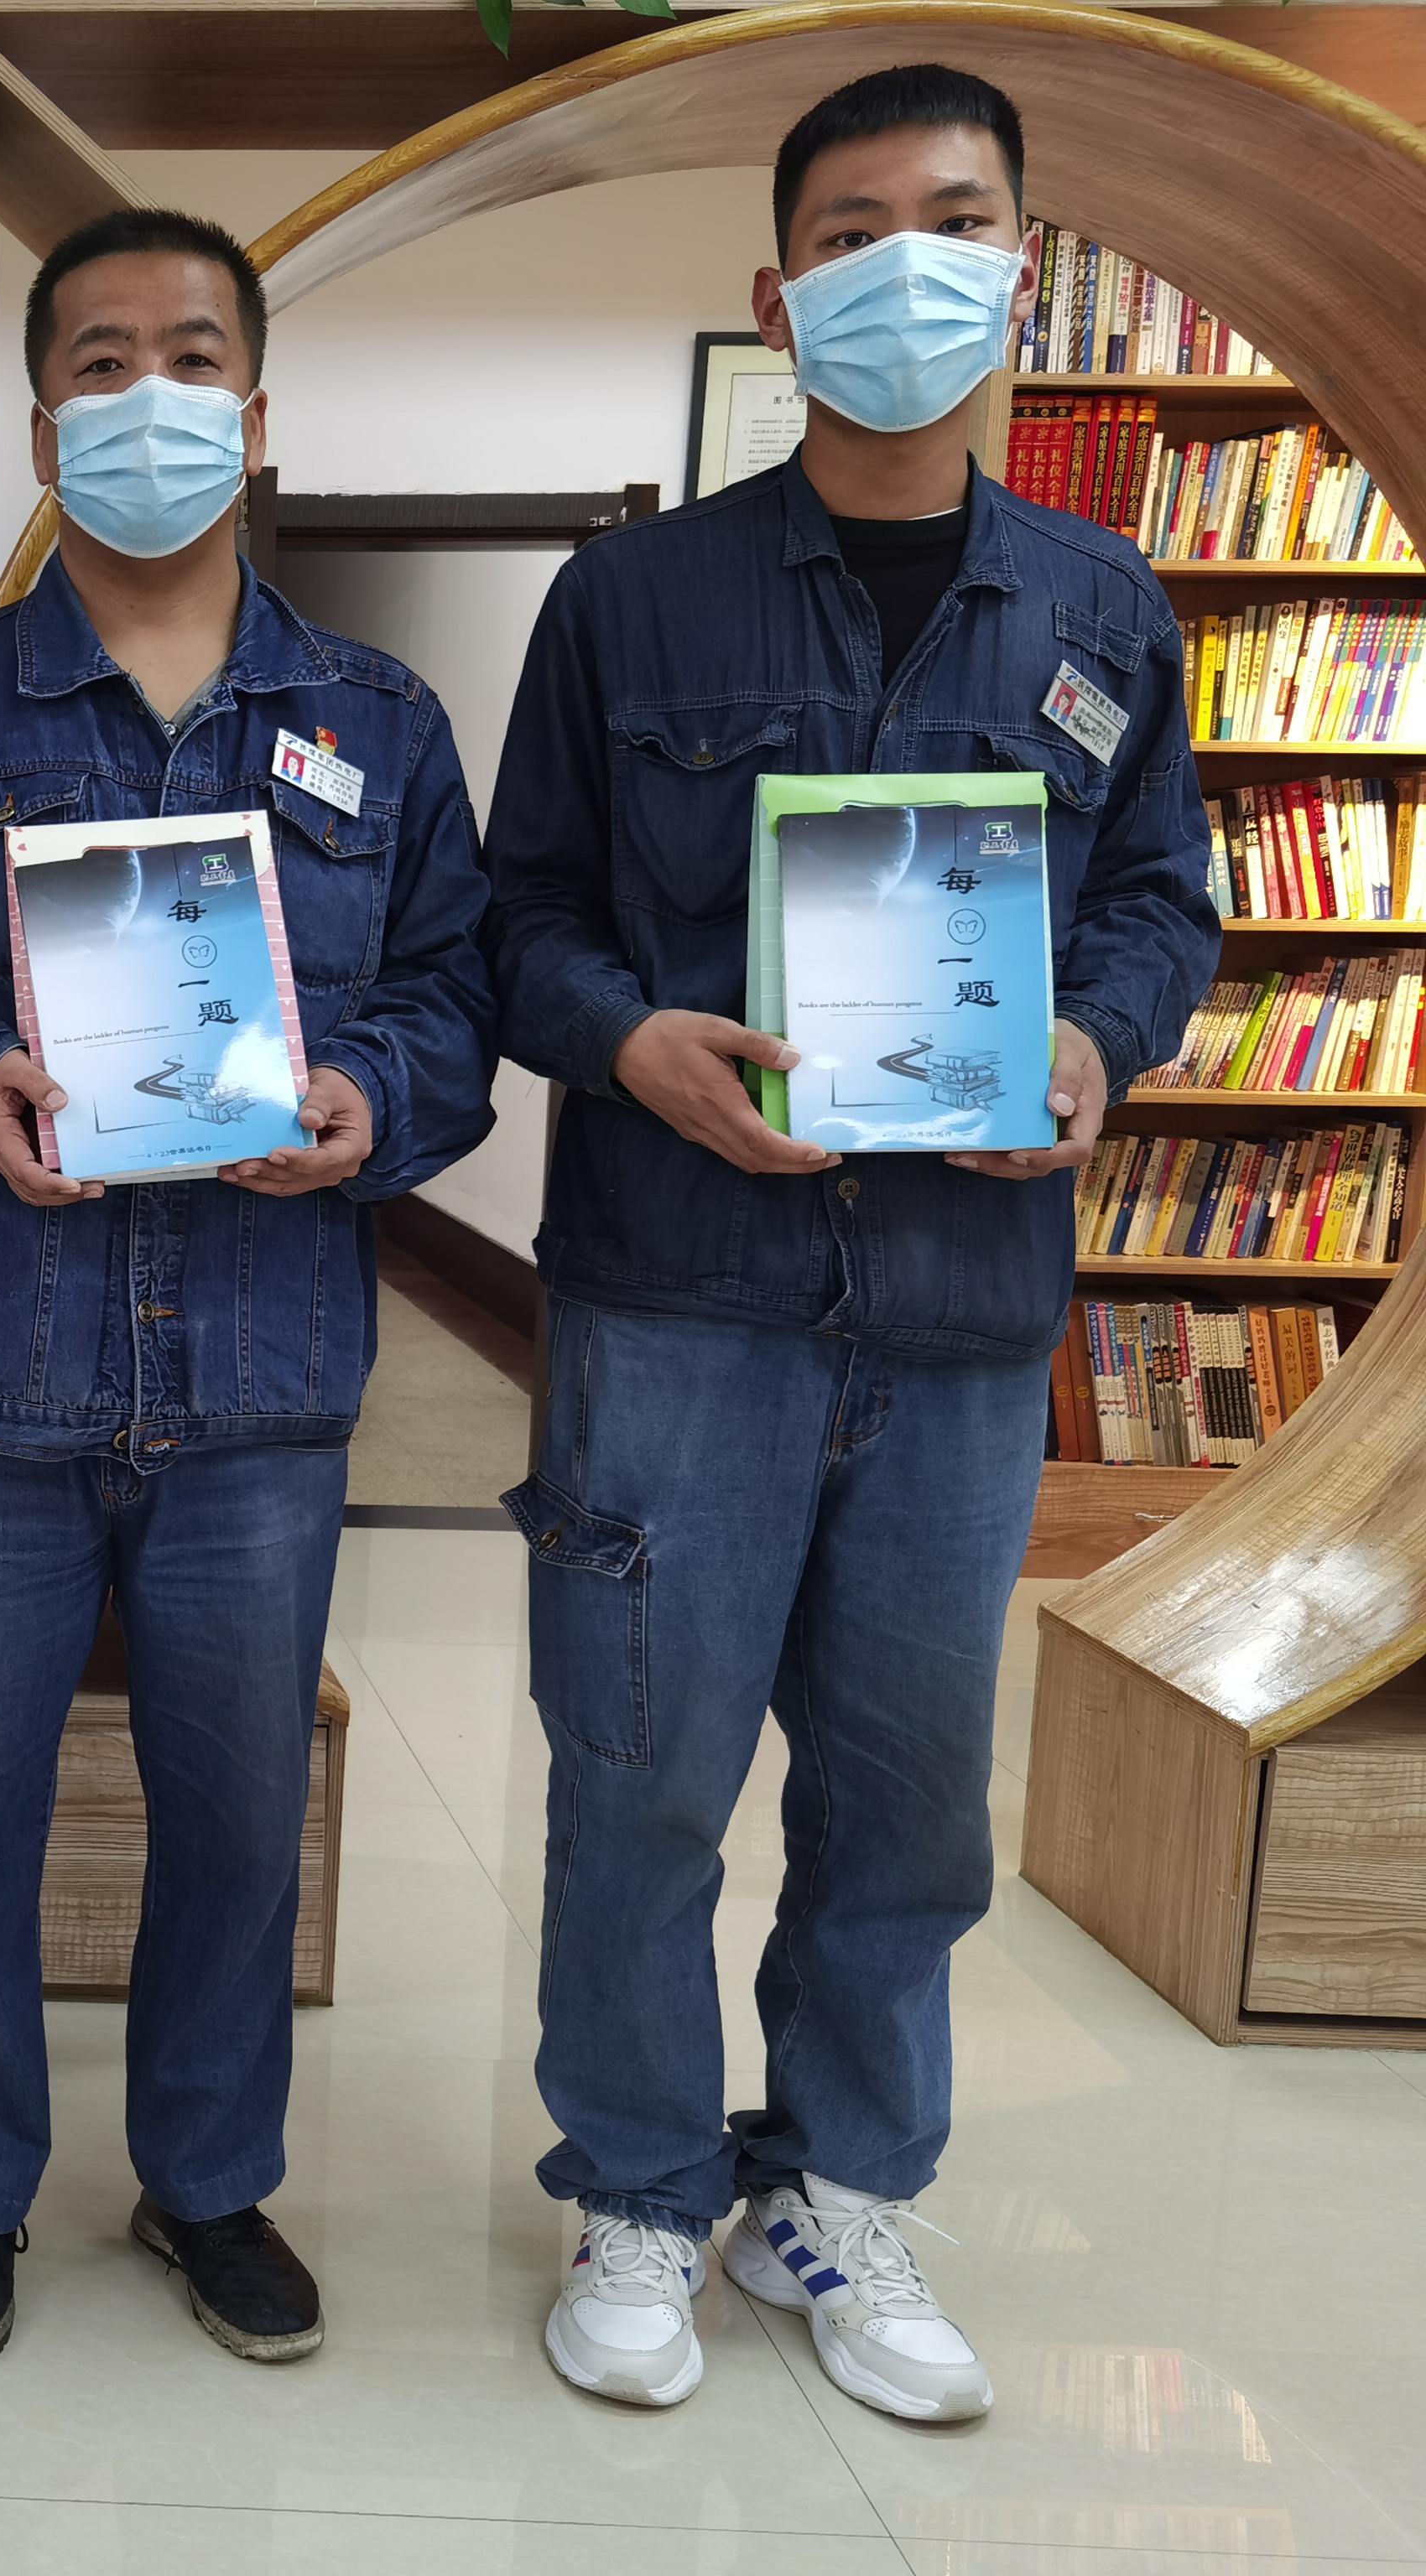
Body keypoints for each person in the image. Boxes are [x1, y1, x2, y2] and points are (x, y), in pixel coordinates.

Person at [487, 65, 1217, 2422]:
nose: (906, 266)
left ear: (1022, 265)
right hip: (679, 1298)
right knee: (640, 1774)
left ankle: (836, 2188)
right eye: (851, 231)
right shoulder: (629, 599)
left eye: (955, 221)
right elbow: (515, 920)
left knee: (904, 1805)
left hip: (963, 1321)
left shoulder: (1103, 610)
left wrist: (1096, 1045)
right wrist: (631, 1044)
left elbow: (1159, 904)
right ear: (778, 289)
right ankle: (632, 2182)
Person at [0, 208, 497, 2366]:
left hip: (262, 1380)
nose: (144, 397)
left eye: (188, 356)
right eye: (99, 363)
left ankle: (207, 2182)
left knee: (239, 1822)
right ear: (40, 424)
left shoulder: (374, 721)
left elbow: (456, 1001)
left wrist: (368, 1098)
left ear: (253, 417)